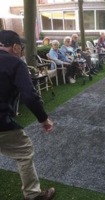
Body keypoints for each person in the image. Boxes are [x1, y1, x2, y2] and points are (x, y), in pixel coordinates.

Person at [0, 30, 55, 200]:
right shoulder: (15, 63)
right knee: (25, 152)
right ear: (15, 47)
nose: (22, 50)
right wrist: (44, 119)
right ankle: (32, 195)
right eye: (21, 47)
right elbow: (29, 95)